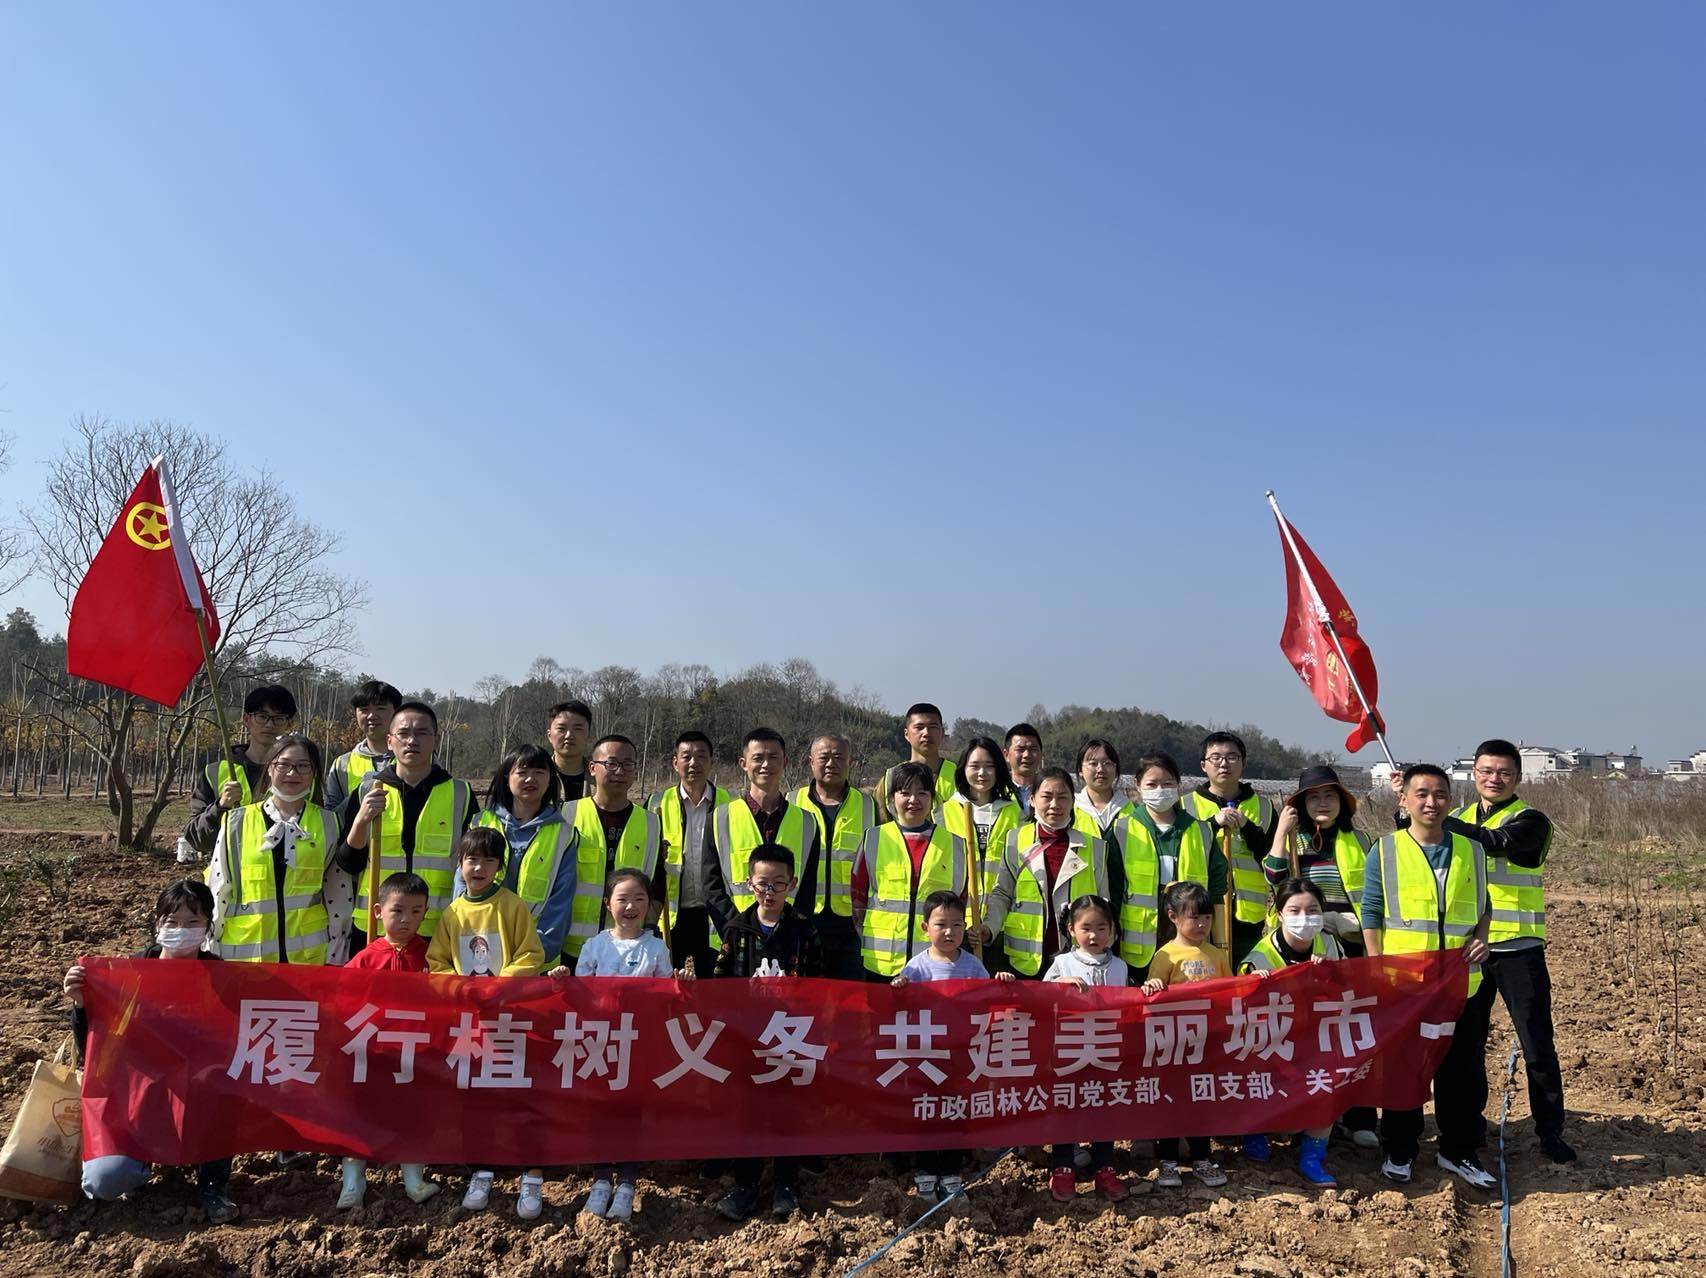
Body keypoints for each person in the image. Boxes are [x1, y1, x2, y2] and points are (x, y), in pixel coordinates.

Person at [63, 880, 238, 1223]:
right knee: (104, 1181)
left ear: (208, 926)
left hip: (196, 1091)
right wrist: (82, 1006)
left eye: (193, 922)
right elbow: (95, 1051)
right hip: (136, 1094)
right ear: (157, 923)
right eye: (172, 922)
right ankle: (137, 1166)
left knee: (224, 1087)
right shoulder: (129, 976)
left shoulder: (220, 977)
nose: (182, 931)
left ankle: (213, 1184)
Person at [1362, 764, 1494, 1190]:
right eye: (1421, 794)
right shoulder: (1385, 850)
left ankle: (1459, 1150)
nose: (1431, 802)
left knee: (1462, 1069)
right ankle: (1400, 1148)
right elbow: (1371, 910)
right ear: (1403, 800)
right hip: (1405, 983)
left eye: (1440, 794)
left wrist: (1482, 938)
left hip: (1461, 982)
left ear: (1450, 800)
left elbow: (1484, 904)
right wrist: (1376, 965)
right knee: (1405, 1068)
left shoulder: (1471, 850)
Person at [1444, 738, 1574, 1164]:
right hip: (1470, 950)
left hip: (1518, 948)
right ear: (1474, 774)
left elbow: (1496, 841)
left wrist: (1436, 821)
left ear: (1518, 777)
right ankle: (1469, 1130)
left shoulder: (1531, 820)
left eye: (1503, 772)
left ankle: (1550, 1133)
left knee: (1536, 1044)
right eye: (1486, 771)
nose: (1494, 779)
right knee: (1466, 1045)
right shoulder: (1459, 817)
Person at [427, 828, 547, 1217]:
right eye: (472, 860)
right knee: (475, 1095)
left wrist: (499, 987)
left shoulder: (512, 906)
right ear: (459, 864)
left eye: (488, 861)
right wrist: (460, 990)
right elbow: (437, 963)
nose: (479, 868)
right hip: (470, 1021)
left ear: (500, 867)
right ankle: (481, 1169)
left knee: (518, 1093)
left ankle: (530, 1171)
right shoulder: (452, 913)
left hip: (510, 1018)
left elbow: (530, 955)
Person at [574, 868, 693, 1221]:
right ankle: (600, 1180)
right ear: (607, 904)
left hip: (640, 1042)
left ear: (650, 905)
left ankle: (627, 1182)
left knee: (631, 1111)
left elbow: (666, 996)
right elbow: (580, 995)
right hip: (602, 1043)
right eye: (622, 899)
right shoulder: (594, 946)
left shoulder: (656, 948)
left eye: (639, 899)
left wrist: (681, 985)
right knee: (601, 1110)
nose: (631, 907)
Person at [1267, 763, 1376, 1147]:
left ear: (1343, 802)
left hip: (1352, 943)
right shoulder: (1294, 841)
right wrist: (1281, 831)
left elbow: (1374, 893)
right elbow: (1274, 879)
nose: (1323, 803)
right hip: (1307, 945)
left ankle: (1359, 1116)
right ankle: (1306, 1114)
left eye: (1330, 796)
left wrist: (1347, 923)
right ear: (1301, 804)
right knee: (1307, 1029)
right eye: (1314, 798)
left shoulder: (1360, 840)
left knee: (1352, 1029)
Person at [714, 845, 823, 1220]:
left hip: (790, 1034)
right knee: (748, 1110)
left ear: (792, 883)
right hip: (748, 1036)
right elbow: (720, 981)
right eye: (763, 883)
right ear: (749, 883)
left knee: (786, 1109)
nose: (770, 892)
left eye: (779, 883)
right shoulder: (737, 929)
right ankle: (745, 1185)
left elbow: (819, 981)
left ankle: (785, 1185)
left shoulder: (803, 929)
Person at [890, 890, 1015, 1202]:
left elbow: (989, 999)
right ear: (925, 928)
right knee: (925, 1114)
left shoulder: (972, 966)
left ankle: (951, 1174)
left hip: (960, 1057)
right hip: (926, 1056)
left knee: (955, 1113)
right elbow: (898, 1006)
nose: (949, 932)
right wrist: (898, 987)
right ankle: (925, 1173)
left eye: (957, 925)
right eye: (941, 925)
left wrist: (1000, 982)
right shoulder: (916, 968)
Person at [334, 700, 477, 945]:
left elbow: (475, 862)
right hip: (376, 928)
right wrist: (361, 821)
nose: (412, 741)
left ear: (436, 740)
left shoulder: (460, 794)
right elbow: (348, 863)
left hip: (438, 928)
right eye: (403, 733)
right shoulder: (368, 790)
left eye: (421, 733)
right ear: (390, 741)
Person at [338, 872, 441, 1208]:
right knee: (360, 1115)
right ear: (378, 911)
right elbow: (340, 996)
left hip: (414, 1053)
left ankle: (414, 1179)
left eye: (415, 911)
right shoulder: (366, 958)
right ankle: (352, 1183)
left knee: (413, 1114)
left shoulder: (431, 956)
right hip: (372, 1054)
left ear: (425, 913)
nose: (406, 919)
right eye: (397, 911)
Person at [207, 732, 353, 965]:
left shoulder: (329, 823)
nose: (292, 773)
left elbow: (338, 893)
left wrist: (336, 955)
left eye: (302, 766)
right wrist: (209, 948)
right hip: (245, 957)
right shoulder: (236, 822)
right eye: (283, 764)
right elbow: (218, 888)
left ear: (314, 772)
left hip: (309, 958)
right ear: (269, 768)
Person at [1237, 879, 1342, 1186]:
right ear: (1279, 914)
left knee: (1326, 1083)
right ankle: (1255, 1131)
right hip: (1272, 1042)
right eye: (1294, 910)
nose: (1304, 918)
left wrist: (1330, 975)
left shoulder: (1329, 944)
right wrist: (1255, 984)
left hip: (1317, 1038)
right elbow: (1241, 1007)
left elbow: (1349, 989)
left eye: (1312, 910)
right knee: (1261, 1084)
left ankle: (1312, 1155)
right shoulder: (1260, 955)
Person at [978, 768, 1112, 979]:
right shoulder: (1015, 840)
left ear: (1073, 801)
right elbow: (1003, 893)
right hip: (1024, 959)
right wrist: (989, 928)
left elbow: (1104, 903)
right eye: (1047, 797)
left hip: (1077, 957)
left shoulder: (1095, 847)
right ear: (1032, 799)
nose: (1055, 805)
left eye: (1062, 797)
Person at [1141, 880, 1231, 1189]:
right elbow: (1150, 996)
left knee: (1199, 1101)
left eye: (1207, 917)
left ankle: (1202, 1158)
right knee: (1171, 1101)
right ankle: (1168, 1162)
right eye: (1194, 917)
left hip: (1205, 1044)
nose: (1202, 924)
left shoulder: (1217, 955)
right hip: (1172, 1044)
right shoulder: (1165, 956)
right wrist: (1152, 987)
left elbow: (1231, 992)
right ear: (1174, 917)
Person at [1041, 895, 1131, 1202]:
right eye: (1086, 928)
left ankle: (1104, 1167)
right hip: (1069, 1049)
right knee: (1067, 1107)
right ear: (1071, 930)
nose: (1094, 936)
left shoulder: (1120, 967)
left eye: (1102, 928)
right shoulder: (1062, 964)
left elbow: (1130, 1006)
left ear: (1112, 930)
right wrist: (1060, 985)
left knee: (1103, 1109)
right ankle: (1062, 1167)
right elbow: (1039, 998)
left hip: (1106, 1049)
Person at [851, 761, 971, 981]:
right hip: (882, 962)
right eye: (905, 793)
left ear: (932, 799)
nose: (913, 800)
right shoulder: (873, 838)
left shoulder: (956, 845)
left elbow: (962, 899)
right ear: (892, 798)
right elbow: (858, 901)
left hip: (934, 963)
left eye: (922, 793)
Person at [704, 729, 822, 946]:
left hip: (787, 942)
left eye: (773, 757)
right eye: (758, 758)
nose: (766, 765)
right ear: (743, 763)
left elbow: (807, 890)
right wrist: (738, 930)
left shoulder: (808, 822)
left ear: (785, 762)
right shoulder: (719, 818)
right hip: (731, 942)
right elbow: (712, 887)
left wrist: (790, 931)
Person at [1111, 751, 1226, 971]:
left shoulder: (1202, 831)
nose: (1160, 790)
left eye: (1167, 784)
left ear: (1178, 785)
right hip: (1139, 947)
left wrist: (1221, 945)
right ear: (1138, 785)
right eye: (1152, 784)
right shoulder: (1122, 830)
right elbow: (1113, 890)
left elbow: (1218, 887)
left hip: (1192, 945)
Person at [559, 734, 663, 965]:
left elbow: (656, 883)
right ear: (592, 768)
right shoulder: (567, 814)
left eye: (627, 764)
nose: (619, 771)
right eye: (612, 763)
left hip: (627, 950)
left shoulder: (650, 823)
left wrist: (648, 928)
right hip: (571, 947)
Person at [473, 744, 578, 968]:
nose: (531, 779)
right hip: (480, 952)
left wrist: (536, 951)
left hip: (536, 958)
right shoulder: (481, 822)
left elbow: (561, 900)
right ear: (506, 777)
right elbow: (462, 884)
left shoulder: (563, 834)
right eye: (522, 772)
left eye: (539, 772)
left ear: (550, 780)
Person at [1183, 732, 1277, 966]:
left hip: (1248, 914)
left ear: (1244, 763)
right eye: (1215, 758)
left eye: (1232, 757)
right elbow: (1185, 850)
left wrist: (1247, 826)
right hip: (1199, 910)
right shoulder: (1185, 805)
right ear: (1203, 765)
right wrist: (1213, 824)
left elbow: (1271, 855)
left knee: (1248, 974)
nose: (1224, 764)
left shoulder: (1264, 807)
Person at [793, 732, 878, 981]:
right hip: (803, 917)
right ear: (811, 762)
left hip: (851, 922)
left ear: (851, 763)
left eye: (839, 757)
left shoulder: (869, 806)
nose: (831, 764)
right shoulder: (792, 802)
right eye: (824, 757)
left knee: (849, 993)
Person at [650, 731, 735, 977]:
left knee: (715, 984)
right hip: (672, 914)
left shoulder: (731, 805)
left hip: (716, 913)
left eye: (701, 756)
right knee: (669, 984)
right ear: (675, 762)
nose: (693, 763)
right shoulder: (657, 804)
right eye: (686, 756)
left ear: (712, 762)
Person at [183, 684, 298, 856]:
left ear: (289, 724)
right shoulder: (215, 773)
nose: (269, 724)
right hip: (229, 871)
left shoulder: (300, 773)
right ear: (246, 719)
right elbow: (197, 840)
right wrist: (221, 807)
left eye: (278, 718)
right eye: (262, 716)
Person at [937, 737, 1023, 909]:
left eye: (989, 766)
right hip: (956, 915)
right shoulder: (943, 813)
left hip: (1003, 915)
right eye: (975, 766)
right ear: (963, 769)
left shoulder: (1016, 813)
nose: (982, 773)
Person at [325, 680, 402, 811]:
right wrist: (360, 796)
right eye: (364, 710)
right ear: (355, 714)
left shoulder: (417, 757)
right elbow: (332, 815)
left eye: (381, 708)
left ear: (397, 713)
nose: (371, 716)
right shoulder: (342, 764)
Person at [875, 703, 958, 819]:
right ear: (906, 734)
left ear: (942, 732)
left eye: (933, 727)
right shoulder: (891, 778)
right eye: (919, 727)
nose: (926, 733)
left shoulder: (960, 776)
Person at [1074, 739, 1132, 840]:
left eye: (1107, 763)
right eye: (1093, 763)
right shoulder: (1069, 810)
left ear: (1116, 769)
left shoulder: (1133, 811)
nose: (1100, 769)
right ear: (1080, 770)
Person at [546, 700, 595, 802]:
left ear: (589, 735)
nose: (569, 735)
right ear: (549, 735)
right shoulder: (537, 776)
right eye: (561, 729)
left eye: (577, 729)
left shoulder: (600, 777)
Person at [1004, 723, 1045, 815]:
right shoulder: (997, 792)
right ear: (1006, 755)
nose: (1027, 755)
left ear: (1041, 753)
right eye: (1020, 749)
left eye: (1033, 749)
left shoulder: (1050, 790)